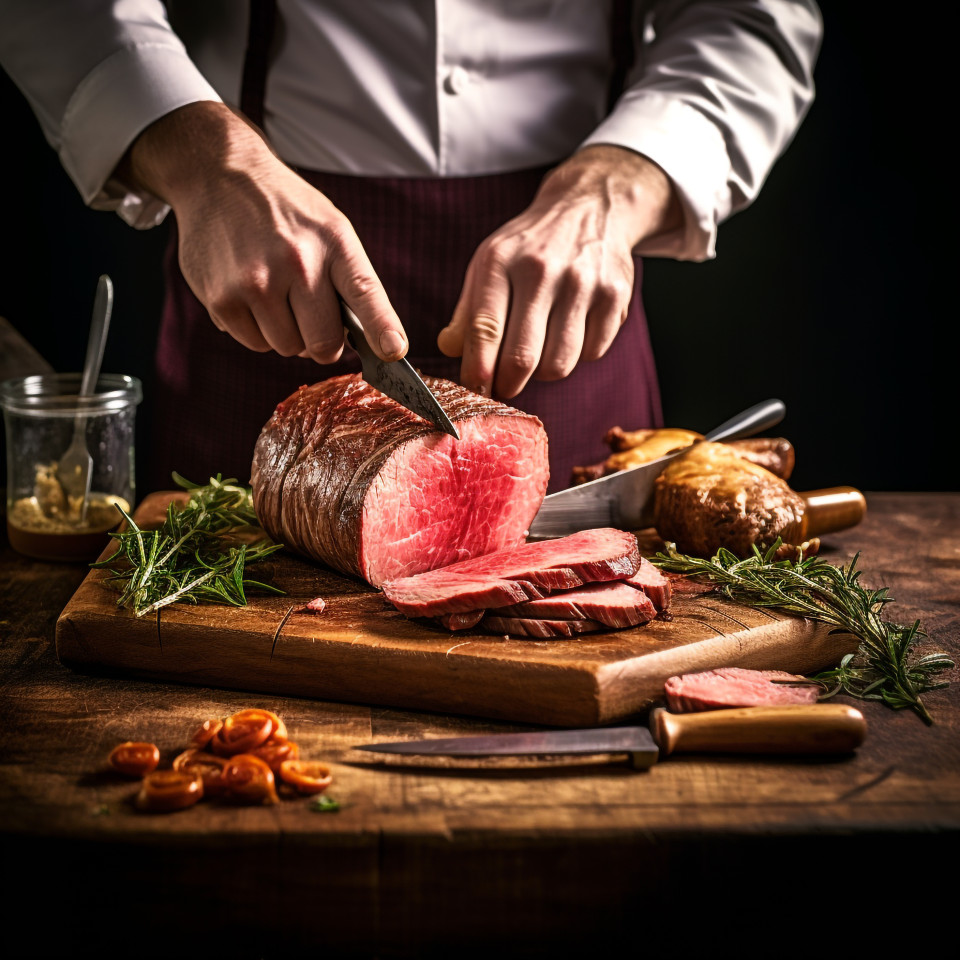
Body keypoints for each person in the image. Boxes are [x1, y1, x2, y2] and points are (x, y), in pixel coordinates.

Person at [0, 1, 822, 494]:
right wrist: (203, 158)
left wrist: (624, 181)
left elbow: (752, 13)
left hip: (573, 276)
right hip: (265, 262)